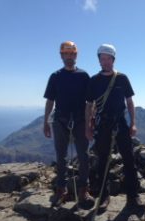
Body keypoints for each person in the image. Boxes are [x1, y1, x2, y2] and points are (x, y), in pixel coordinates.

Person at [85, 44, 142, 209]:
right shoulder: (94, 81)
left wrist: (133, 124)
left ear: (113, 60)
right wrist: (88, 127)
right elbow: (89, 104)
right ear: (99, 60)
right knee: (103, 161)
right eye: (102, 58)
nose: (105, 61)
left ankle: (133, 196)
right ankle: (104, 197)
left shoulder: (122, 78)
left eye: (108, 58)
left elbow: (129, 102)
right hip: (103, 125)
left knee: (129, 159)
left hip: (120, 123)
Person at [43, 41, 94, 208]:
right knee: (61, 156)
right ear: (61, 55)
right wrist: (46, 122)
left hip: (80, 121)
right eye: (66, 53)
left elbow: (90, 101)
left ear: (76, 55)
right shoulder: (55, 76)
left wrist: (89, 122)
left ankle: (83, 189)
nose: (69, 56)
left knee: (83, 156)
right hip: (60, 120)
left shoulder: (84, 76)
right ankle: (61, 188)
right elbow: (50, 101)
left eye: (72, 53)